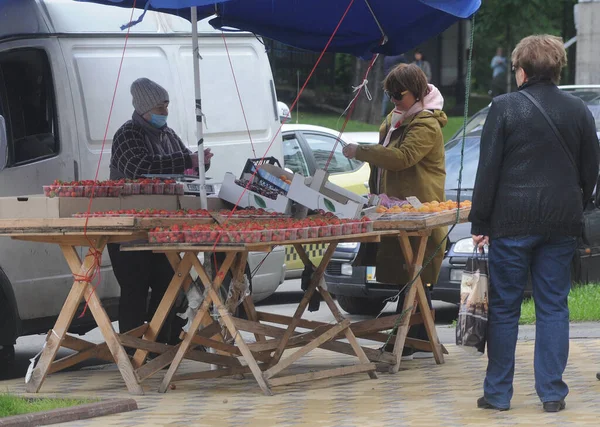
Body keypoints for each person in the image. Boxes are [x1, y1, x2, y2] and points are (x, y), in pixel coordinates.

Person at [470, 35, 600, 413]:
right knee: (554, 307)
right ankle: (553, 394)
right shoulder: (578, 110)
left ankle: (498, 394)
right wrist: (577, 201)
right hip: (561, 222)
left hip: (511, 222)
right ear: (557, 69)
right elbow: (591, 169)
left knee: (506, 308)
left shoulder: (504, 108)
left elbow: (488, 170)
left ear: (521, 71)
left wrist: (481, 220)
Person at [343, 63, 447, 359]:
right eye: (388, 94)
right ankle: (416, 336)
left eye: (398, 94)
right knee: (409, 275)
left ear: (417, 92)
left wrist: (360, 151)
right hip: (397, 209)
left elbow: (402, 158)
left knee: (415, 273)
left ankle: (407, 338)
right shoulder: (398, 116)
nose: (393, 100)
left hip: (419, 211)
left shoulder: (426, 123)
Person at [108, 77, 213, 346]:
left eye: (166, 105)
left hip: (161, 230)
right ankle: (132, 350)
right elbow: (140, 168)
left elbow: (185, 164)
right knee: (134, 290)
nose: (165, 112)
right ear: (144, 107)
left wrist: (199, 165)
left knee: (168, 286)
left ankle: (160, 347)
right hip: (129, 230)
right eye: (160, 106)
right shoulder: (127, 134)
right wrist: (185, 161)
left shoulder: (168, 134)